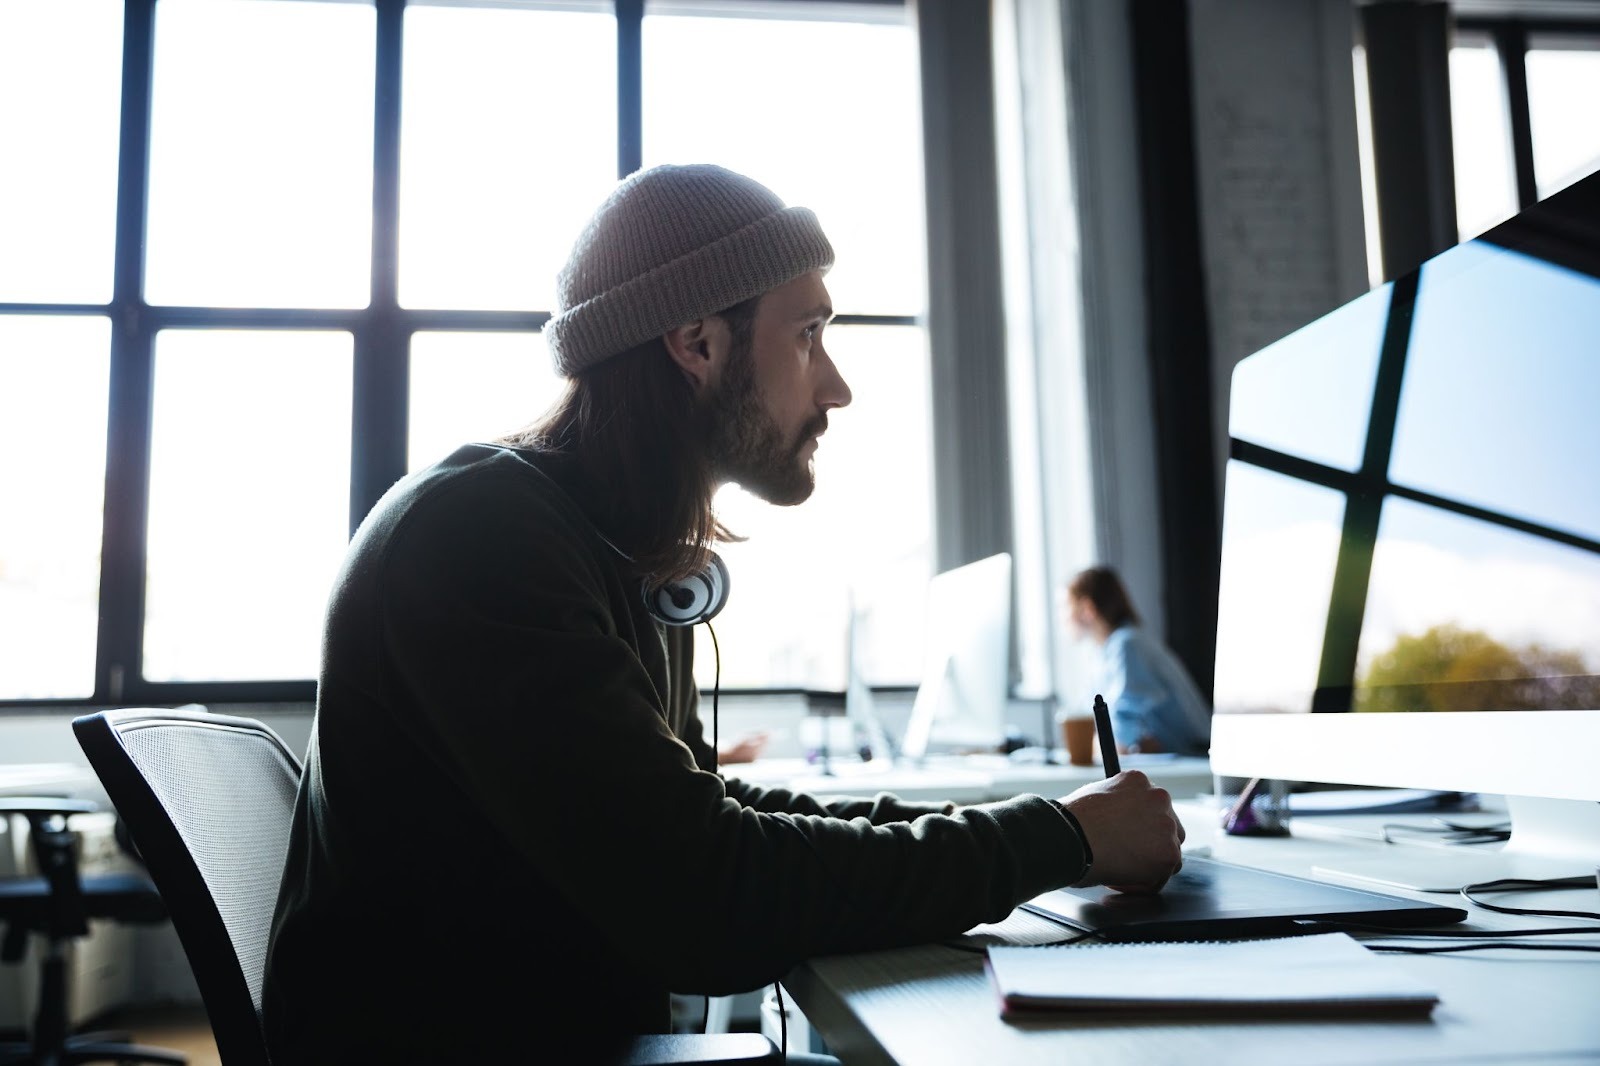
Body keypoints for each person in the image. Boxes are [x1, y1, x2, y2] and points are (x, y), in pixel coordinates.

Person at [262, 164, 1186, 1065]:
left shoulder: (604, 546)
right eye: (809, 334)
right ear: (697, 342)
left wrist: (1048, 825)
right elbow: (705, 897)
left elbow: (707, 816)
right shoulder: (482, 540)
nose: (836, 387)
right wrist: (1059, 840)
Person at [1065, 565, 1213, 756]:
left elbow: (1121, 730)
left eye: (1065, 606)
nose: (1063, 617)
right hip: (1172, 758)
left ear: (1087, 609)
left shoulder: (1127, 644)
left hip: (1191, 756)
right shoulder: (1103, 654)